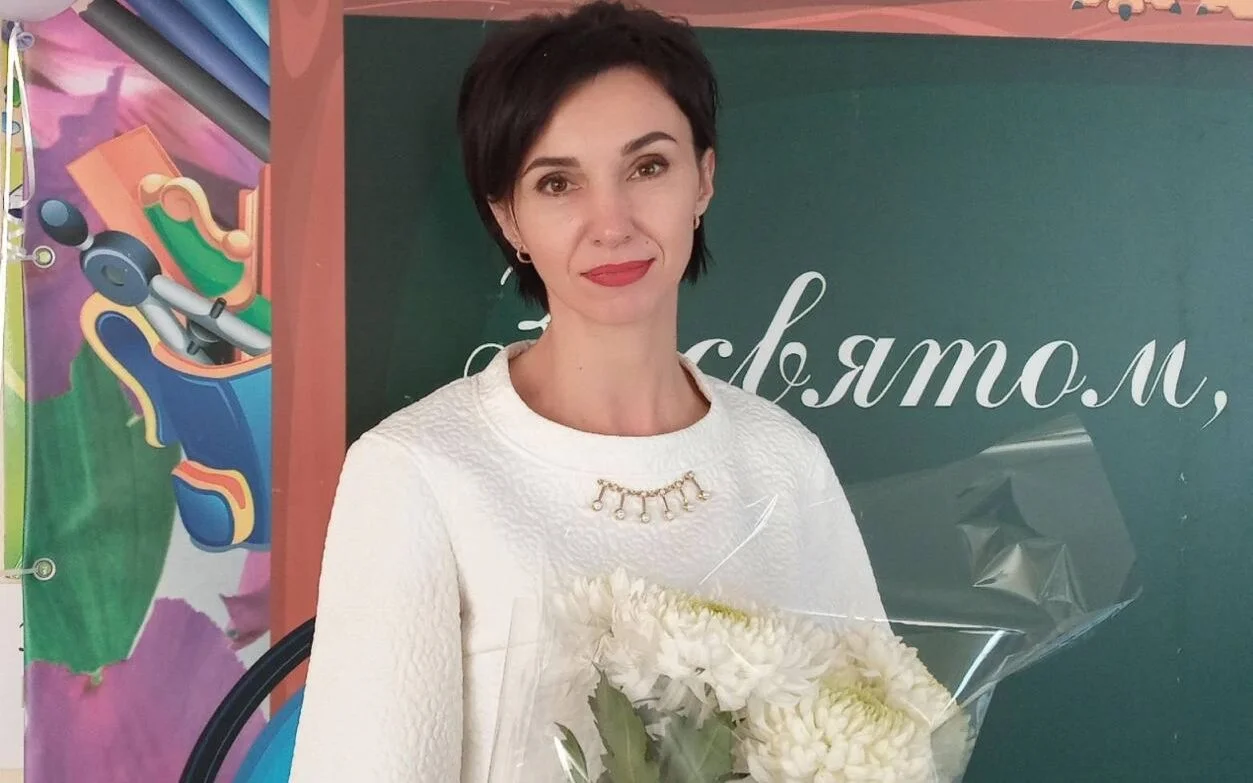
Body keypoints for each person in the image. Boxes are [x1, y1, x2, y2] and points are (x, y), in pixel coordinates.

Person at [287, 2, 885, 781]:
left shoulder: (783, 459)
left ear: (703, 178)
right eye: (557, 182)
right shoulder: (416, 470)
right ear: (508, 216)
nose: (611, 223)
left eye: (647, 167)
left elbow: (872, 739)